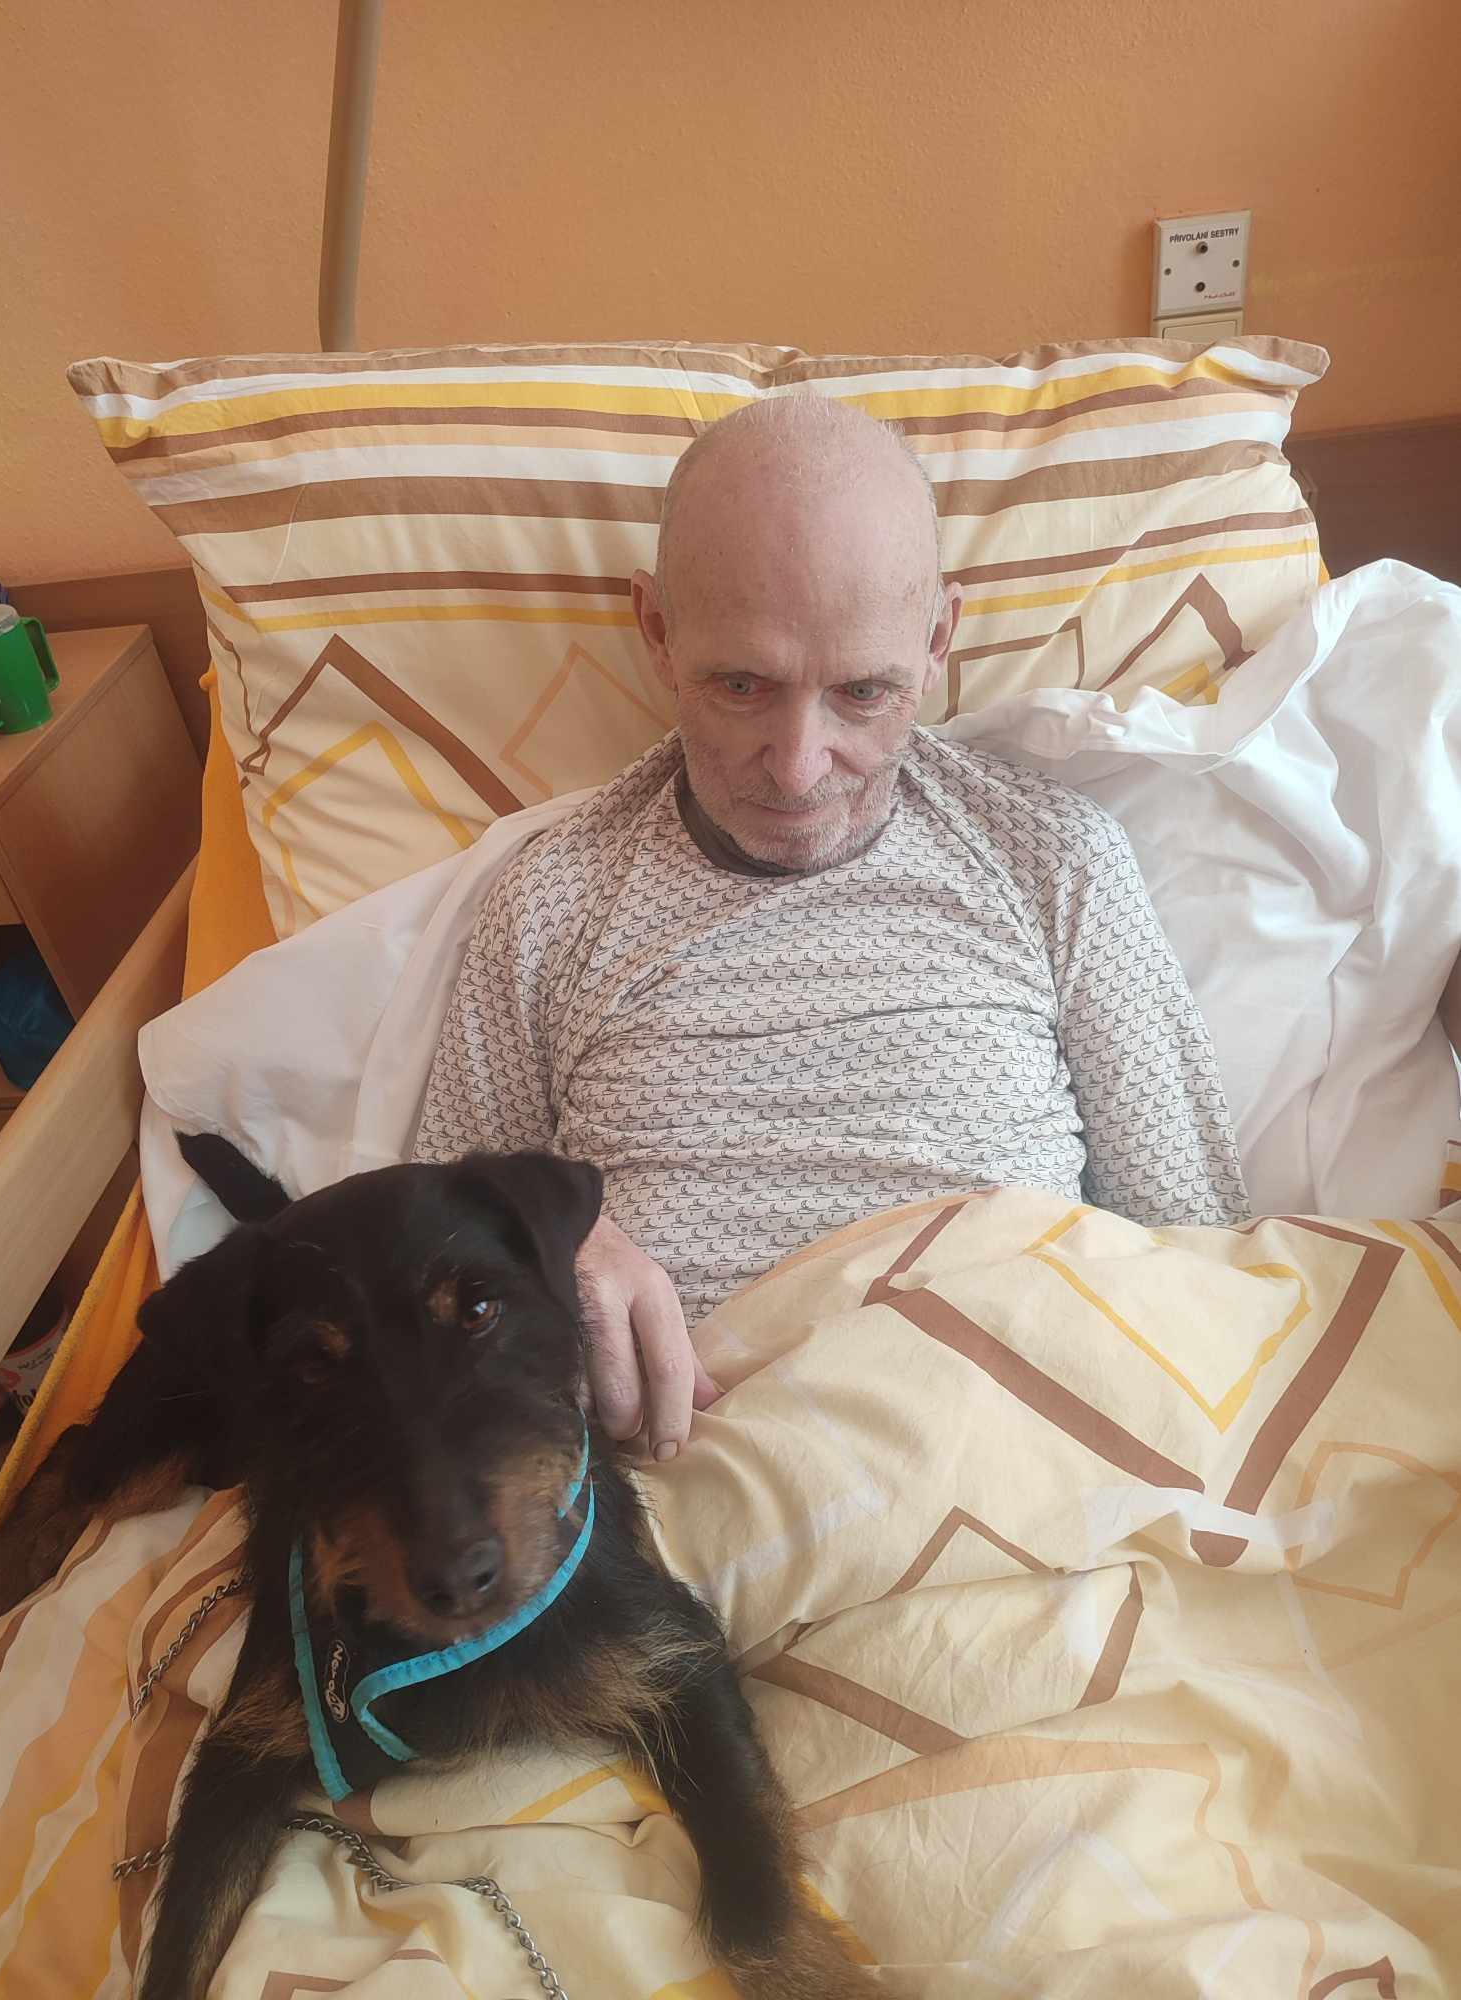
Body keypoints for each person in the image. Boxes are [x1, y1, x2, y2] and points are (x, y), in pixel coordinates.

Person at [414, 395, 1247, 1460]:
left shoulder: (1055, 866)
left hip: (1033, 1461)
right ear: (658, 630)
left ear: (936, 641)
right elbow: (426, 1266)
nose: (799, 768)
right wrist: (545, 1239)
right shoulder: (549, 909)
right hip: (697, 1496)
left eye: (862, 693)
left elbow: (1203, 1258)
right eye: (741, 686)